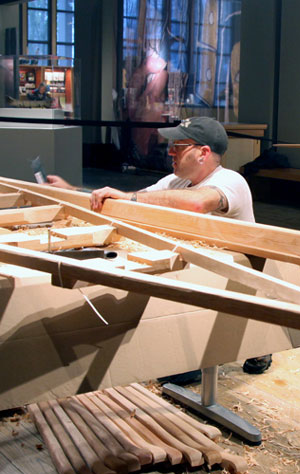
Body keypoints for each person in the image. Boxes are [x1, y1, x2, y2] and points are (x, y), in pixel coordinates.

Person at [46, 116, 272, 384]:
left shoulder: (230, 180)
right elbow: (130, 202)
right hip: (197, 269)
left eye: (179, 145)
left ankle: (256, 339)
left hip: (234, 277)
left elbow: (199, 202)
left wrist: (129, 198)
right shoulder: (174, 182)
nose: (170, 151)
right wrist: (75, 191)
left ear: (204, 153)